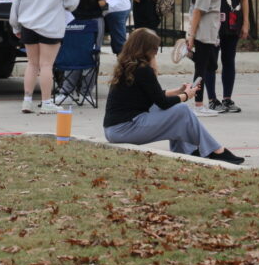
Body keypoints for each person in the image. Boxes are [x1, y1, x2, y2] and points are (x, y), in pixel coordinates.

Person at [103, 28, 243, 165]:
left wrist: (178, 91)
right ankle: (216, 150)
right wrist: (186, 95)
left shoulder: (128, 65)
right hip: (124, 129)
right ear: (146, 49)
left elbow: (154, 95)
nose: (156, 52)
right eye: (155, 49)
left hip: (116, 129)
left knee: (176, 112)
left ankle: (187, 152)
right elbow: (162, 102)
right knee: (181, 110)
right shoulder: (143, 70)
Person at [10, 0, 81, 113]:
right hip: (51, 25)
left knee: (32, 64)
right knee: (46, 65)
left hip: (28, 25)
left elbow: (17, 2)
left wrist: (15, 26)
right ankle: (46, 102)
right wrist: (66, 6)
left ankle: (27, 101)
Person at [208, 0, 250, 113]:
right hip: (213, 24)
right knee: (211, 61)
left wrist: (246, 22)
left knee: (229, 60)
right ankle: (212, 99)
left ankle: (227, 98)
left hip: (232, 23)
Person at [186, 0, 222, 117]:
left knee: (210, 65)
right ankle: (198, 104)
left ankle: (191, 55)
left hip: (211, 33)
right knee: (201, 70)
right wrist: (191, 36)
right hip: (204, 34)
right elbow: (197, 12)